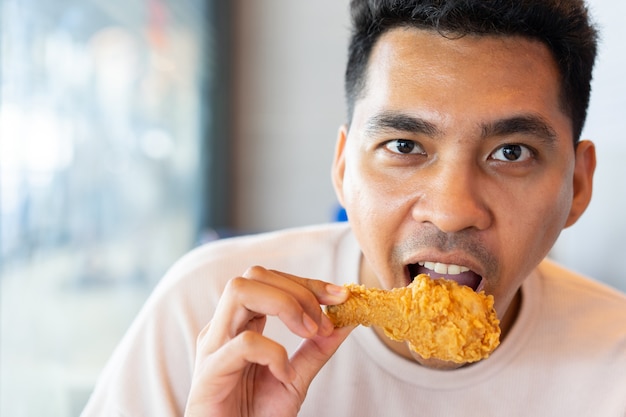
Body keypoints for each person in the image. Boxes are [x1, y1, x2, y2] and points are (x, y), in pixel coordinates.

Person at [81, 0, 626, 416]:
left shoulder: (614, 362)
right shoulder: (206, 314)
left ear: (577, 186)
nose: (452, 209)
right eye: (405, 147)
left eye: (511, 152)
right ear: (344, 168)